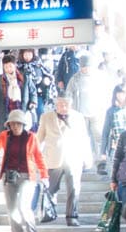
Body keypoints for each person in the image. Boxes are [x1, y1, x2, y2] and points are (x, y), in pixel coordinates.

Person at [0, 109, 48, 232]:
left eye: (18, 124)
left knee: (24, 207)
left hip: (27, 177)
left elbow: (39, 157)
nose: (15, 127)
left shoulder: (31, 137)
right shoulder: (4, 136)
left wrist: (44, 174)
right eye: (12, 124)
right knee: (12, 211)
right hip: (9, 176)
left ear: (23, 124)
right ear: (9, 125)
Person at [37, 94, 91, 225]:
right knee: (51, 188)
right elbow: (39, 138)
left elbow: (84, 138)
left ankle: (71, 216)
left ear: (70, 104)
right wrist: (34, 156)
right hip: (53, 157)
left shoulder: (78, 117)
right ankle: (49, 211)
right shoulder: (46, 117)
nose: (63, 107)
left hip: (73, 158)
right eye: (60, 104)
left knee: (73, 188)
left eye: (66, 104)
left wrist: (87, 158)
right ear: (56, 105)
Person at [0, 53, 32, 137]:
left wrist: (33, 102)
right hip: (6, 111)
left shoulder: (24, 78)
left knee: (21, 132)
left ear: (15, 66)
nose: (8, 69)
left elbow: (32, 91)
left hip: (20, 109)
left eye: (10, 66)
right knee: (6, 134)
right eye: (6, 67)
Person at [99, 84, 126, 175]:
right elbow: (106, 131)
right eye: (118, 93)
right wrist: (103, 151)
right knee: (116, 174)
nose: (120, 96)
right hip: (115, 146)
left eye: (123, 93)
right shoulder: (111, 111)